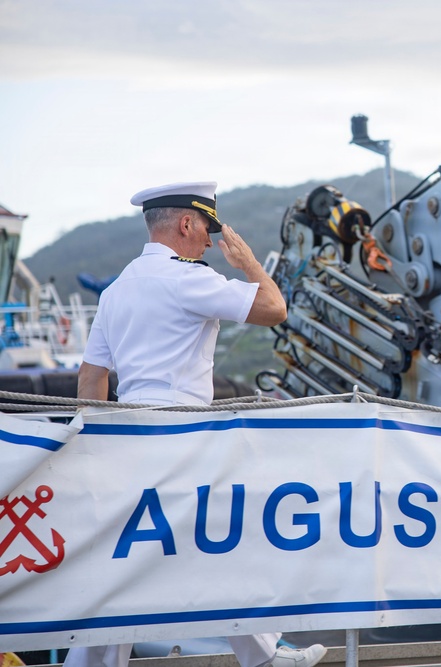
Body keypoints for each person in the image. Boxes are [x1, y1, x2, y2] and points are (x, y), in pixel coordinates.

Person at [67, 182, 326, 667]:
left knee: (127, 561)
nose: (210, 240)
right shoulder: (187, 278)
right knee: (232, 534)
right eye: (207, 227)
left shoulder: (117, 289)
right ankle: (268, 656)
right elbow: (275, 309)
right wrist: (249, 263)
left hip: (126, 434)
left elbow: (92, 375)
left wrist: (96, 447)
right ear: (186, 223)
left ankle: (89, 664)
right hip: (181, 434)